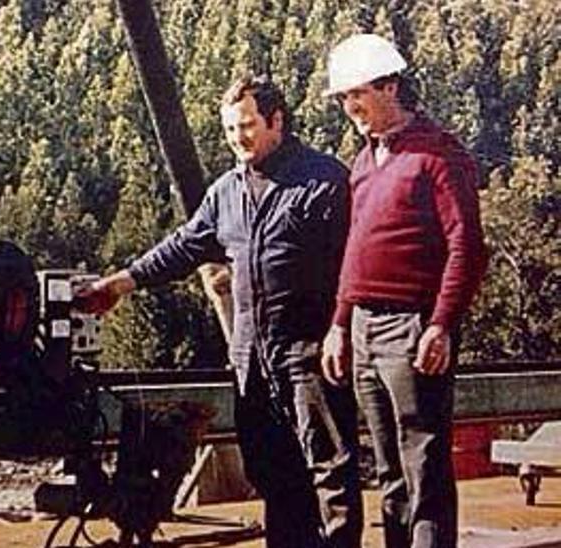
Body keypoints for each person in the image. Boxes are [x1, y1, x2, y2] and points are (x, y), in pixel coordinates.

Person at [76, 75, 361, 548]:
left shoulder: (324, 181)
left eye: (247, 126)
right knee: (272, 472)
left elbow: (356, 263)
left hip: (309, 353)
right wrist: (121, 283)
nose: (237, 139)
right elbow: (184, 246)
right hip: (252, 360)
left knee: (331, 471)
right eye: (230, 129)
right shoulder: (226, 192)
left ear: (277, 121)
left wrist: (342, 329)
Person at [320, 34, 488, 548]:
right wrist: (340, 324)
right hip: (365, 330)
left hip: (412, 327)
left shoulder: (438, 155)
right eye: (344, 97)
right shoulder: (364, 162)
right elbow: (355, 249)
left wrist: (440, 323)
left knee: (424, 468)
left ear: (391, 86)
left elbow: (466, 246)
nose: (350, 107)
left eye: (359, 94)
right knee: (389, 470)